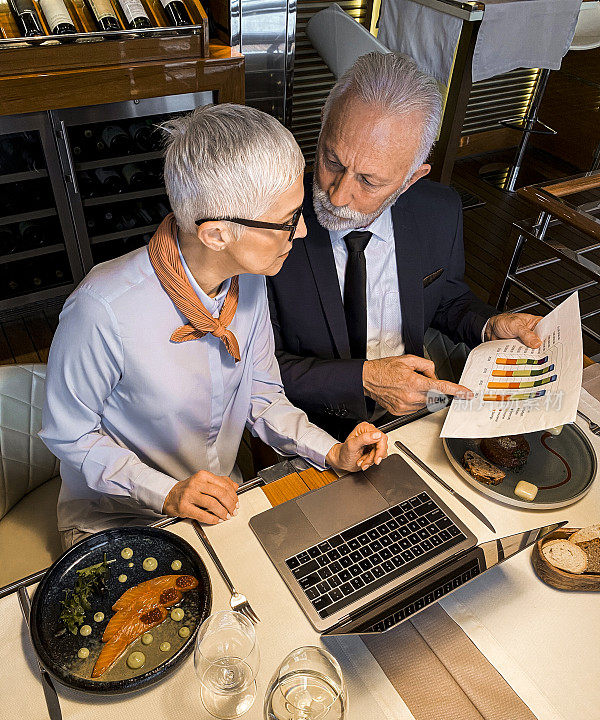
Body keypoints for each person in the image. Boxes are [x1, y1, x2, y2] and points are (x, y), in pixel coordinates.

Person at [40, 104, 387, 548]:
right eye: (286, 223)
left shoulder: (251, 283)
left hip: (220, 503)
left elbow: (262, 395)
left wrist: (331, 451)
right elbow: (68, 434)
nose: (300, 234)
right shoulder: (101, 309)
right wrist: (166, 493)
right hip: (115, 519)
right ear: (217, 234)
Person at [267, 52, 543, 438]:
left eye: (369, 181)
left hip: (416, 413)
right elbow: (259, 367)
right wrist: (364, 379)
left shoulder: (439, 210)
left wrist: (488, 325)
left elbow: (447, 298)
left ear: (412, 179)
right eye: (332, 160)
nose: (338, 195)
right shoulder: (268, 223)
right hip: (310, 428)